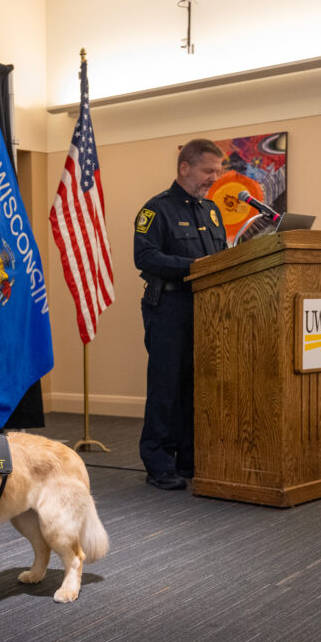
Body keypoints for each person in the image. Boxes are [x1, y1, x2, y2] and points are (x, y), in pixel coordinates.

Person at [133, 138, 228, 491]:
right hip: (169, 309)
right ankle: (158, 462)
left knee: (196, 387)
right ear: (184, 168)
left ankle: (188, 459)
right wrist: (194, 265)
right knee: (166, 387)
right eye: (208, 171)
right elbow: (145, 258)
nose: (213, 178)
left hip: (207, 309)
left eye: (217, 172)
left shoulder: (212, 210)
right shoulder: (156, 210)